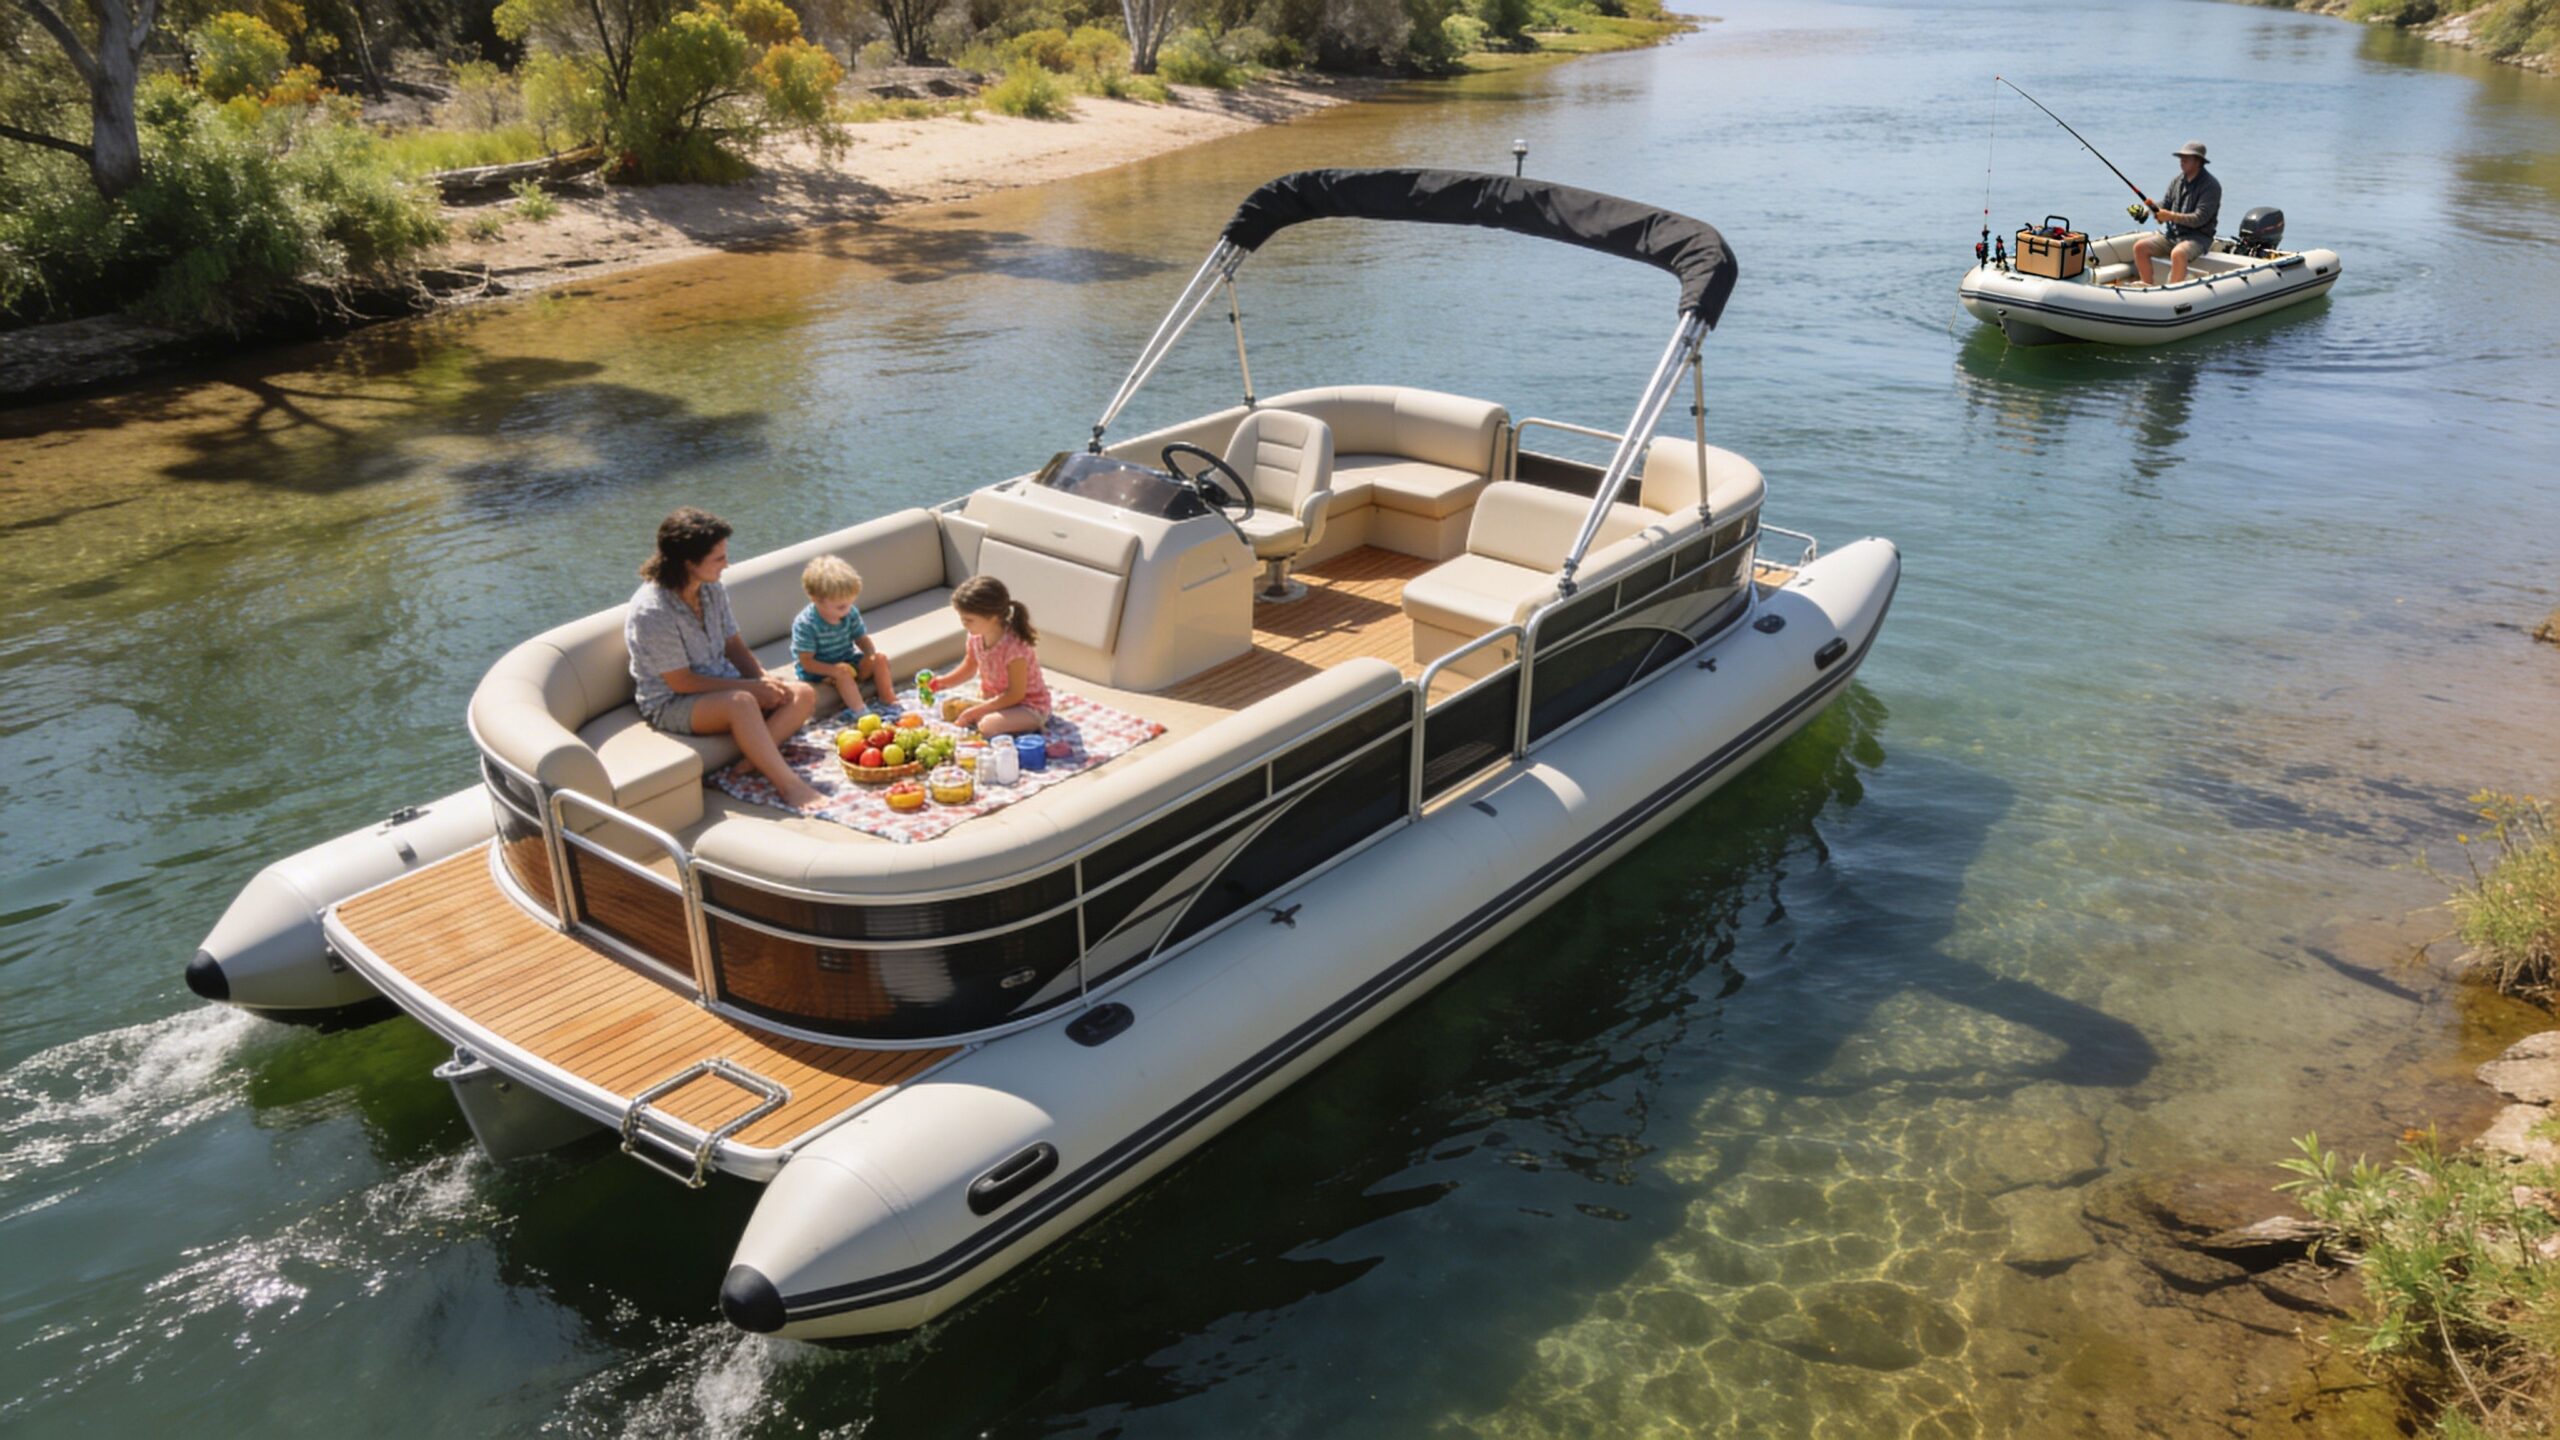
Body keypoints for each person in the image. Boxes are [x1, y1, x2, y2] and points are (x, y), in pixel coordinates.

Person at [625, 507, 824, 810]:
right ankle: (790, 786)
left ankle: (746, 766)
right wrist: (752, 690)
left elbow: (733, 644)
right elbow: (681, 681)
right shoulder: (653, 611)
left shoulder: (711, 589)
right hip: (672, 701)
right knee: (741, 703)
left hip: (724, 684)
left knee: (802, 693)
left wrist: (763, 679)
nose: (726, 564)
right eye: (718, 559)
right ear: (689, 563)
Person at [940, 575, 1051, 738]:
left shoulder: (1014, 647)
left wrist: (978, 710)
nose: (964, 624)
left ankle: (1024, 725)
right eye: (962, 619)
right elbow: (969, 667)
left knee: (987, 725)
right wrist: (942, 682)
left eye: (969, 620)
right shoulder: (976, 635)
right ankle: (992, 715)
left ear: (993, 617)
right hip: (993, 699)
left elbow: (1016, 694)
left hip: (1027, 706)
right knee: (949, 707)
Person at [792, 555, 896, 714]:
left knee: (880, 659)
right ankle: (860, 712)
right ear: (816, 600)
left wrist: (870, 655)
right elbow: (807, 662)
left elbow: (861, 639)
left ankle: (888, 699)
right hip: (818, 670)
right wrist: (834, 671)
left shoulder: (850, 613)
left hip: (846, 659)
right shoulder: (806, 623)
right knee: (843, 674)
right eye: (840, 607)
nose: (847, 610)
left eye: (850, 604)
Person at [2128, 141, 2221, 286]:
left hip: (2198, 238)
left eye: (2187, 158)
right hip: (2173, 236)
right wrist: (2148, 210)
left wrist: (2170, 216)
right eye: (2181, 157)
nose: (2182, 161)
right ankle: (2146, 285)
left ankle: (2170, 293)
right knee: (2140, 247)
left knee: (2178, 253)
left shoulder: (2211, 186)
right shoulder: (2177, 181)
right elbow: (2165, 205)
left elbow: (2199, 218)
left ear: (2198, 162)